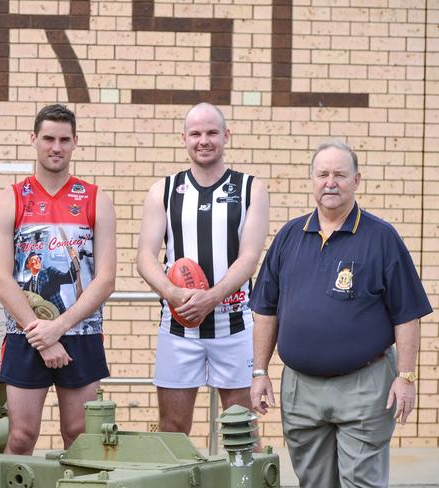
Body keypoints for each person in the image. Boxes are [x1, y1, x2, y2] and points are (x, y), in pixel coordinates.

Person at [249, 140, 432, 488]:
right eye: (322, 174)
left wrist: (406, 378)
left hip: (365, 387)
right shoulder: (290, 236)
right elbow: (266, 310)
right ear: (311, 181)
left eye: (339, 174)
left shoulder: (382, 238)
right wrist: (259, 371)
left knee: (361, 482)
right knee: (314, 482)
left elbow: (407, 314)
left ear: (357, 181)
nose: (330, 182)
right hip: (301, 389)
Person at [0, 104, 116, 454]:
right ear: (34, 139)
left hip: (81, 333)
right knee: (21, 436)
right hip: (26, 333)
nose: (55, 147)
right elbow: (0, 278)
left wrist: (58, 328)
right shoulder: (10, 199)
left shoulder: (95, 200)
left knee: (78, 436)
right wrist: (42, 335)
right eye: (48, 138)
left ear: (75, 142)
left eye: (64, 139)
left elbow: (105, 279)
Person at [136, 102, 269, 434]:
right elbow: (144, 257)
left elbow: (249, 258)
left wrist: (211, 297)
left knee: (242, 429)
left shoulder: (250, 188)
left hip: (235, 326)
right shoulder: (163, 191)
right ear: (184, 138)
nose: (204, 140)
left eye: (212, 132)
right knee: (173, 427)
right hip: (179, 328)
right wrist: (173, 293)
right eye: (195, 133)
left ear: (226, 136)